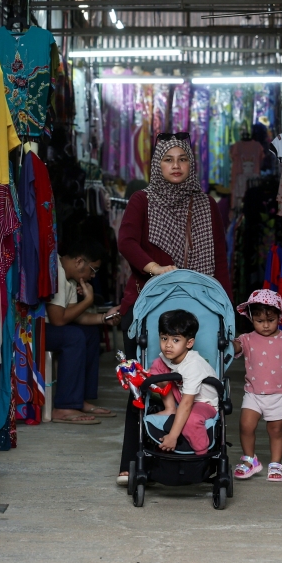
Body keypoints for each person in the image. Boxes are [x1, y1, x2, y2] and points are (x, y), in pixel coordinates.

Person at [116, 133, 233, 483]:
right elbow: (126, 241)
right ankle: (130, 461)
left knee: (200, 384)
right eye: (168, 159)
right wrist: (154, 269)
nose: (176, 165)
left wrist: (228, 317)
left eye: (183, 159)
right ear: (158, 164)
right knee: (143, 384)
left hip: (200, 308)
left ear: (191, 164)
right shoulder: (142, 200)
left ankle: (199, 456)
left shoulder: (206, 204)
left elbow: (219, 262)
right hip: (147, 304)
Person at [231, 289, 282, 483]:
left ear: (279, 317)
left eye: (271, 320)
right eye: (259, 321)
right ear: (251, 318)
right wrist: (227, 343)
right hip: (253, 393)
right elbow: (236, 347)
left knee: (275, 431)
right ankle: (250, 460)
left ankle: (275, 463)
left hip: (278, 395)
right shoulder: (247, 339)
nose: (265, 325)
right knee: (245, 426)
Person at [46, 237, 122, 424]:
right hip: (33, 330)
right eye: (93, 269)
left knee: (90, 333)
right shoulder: (56, 270)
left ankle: (79, 399)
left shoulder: (70, 278)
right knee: (74, 337)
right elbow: (58, 319)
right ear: (79, 261)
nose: (93, 276)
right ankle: (64, 407)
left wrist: (104, 318)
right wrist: (88, 301)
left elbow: (73, 315)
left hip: (51, 328)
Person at [148, 310, 220, 455]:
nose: (168, 345)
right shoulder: (167, 357)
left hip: (203, 403)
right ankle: (170, 408)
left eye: (175, 340)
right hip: (181, 394)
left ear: (189, 343)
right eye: (164, 338)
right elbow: (154, 374)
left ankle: (201, 453)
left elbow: (187, 404)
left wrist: (172, 436)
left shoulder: (193, 365)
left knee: (190, 420)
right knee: (157, 364)